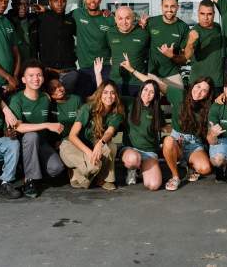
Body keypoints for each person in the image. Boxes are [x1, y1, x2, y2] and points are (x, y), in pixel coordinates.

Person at [120, 54, 214, 191]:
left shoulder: (208, 108)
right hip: (177, 139)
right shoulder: (179, 95)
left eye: (204, 90)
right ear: (193, 85)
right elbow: (154, 84)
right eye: (198, 87)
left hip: (194, 144)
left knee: (205, 169)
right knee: (168, 141)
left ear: (208, 94)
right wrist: (132, 70)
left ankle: (189, 166)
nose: (199, 92)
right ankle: (175, 176)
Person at [59, 59, 123, 190]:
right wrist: (89, 152)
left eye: (112, 93)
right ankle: (75, 172)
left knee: (110, 146)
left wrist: (100, 143)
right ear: (100, 94)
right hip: (72, 145)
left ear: (116, 96)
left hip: (93, 144)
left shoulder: (116, 113)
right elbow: (72, 136)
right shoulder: (87, 108)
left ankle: (104, 179)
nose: (109, 96)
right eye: (105, 92)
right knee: (93, 168)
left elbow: (109, 132)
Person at [9, 60, 65, 198]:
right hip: (23, 146)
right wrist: (47, 125)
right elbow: (19, 127)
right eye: (31, 75)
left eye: (39, 75)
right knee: (31, 135)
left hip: (42, 144)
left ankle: (34, 170)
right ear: (23, 79)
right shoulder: (17, 99)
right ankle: (30, 180)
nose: (36, 78)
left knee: (56, 168)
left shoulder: (46, 98)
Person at [119, 79, 164, 191]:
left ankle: (141, 169)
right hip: (131, 150)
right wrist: (98, 74)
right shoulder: (130, 102)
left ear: (155, 95)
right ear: (141, 90)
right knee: (134, 159)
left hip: (149, 152)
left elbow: (164, 127)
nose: (147, 94)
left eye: (152, 92)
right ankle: (132, 170)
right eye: (145, 89)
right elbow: (109, 96)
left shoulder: (157, 111)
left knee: (154, 185)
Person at [71, 0, 114, 98]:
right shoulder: (77, 13)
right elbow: (60, 17)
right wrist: (45, 10)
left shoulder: (109, 19)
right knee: (84, 100)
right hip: (85, 67)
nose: (92, 0)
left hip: (105, 67)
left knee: (105, 99)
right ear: (84, 0)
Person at [146, 0, 189, 89]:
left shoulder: (183, 27)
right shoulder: (151, 22)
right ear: (161, 6)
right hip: (152, 73)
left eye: (172, 6)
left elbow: (184, 59)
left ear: (177, 7)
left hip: (173, 74)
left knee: (179, 97)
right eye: (166, 6)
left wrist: (171, 55)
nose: (169, 9)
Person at [36, 0, 78, 92]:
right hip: (48, 71)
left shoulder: (70, 20)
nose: (59, 4)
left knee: (70, 98)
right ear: (50, 2)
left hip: (69, 71)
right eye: (56, 0)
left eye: (62, 1)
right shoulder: (41, 18)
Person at [107, 6, 150, 96]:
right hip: (115, 82)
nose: (124, 22)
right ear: (115, 19)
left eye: (127, 18)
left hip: (137, 83)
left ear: (133, 18)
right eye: (120, 18)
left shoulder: (143, 33)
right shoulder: (110, 33)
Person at [184, 0, 224, 94]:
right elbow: (187, 55)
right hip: (198, 83)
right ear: (198, 13)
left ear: (214, 14)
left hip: (217, 83)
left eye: (209, 14)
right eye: (202, 14)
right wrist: (190, 43)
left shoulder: (217, 27)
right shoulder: (195, 31)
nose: (206, 18)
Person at [6, 0, 39, 66]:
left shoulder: (35, 20)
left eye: (26, 4)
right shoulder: (5, 21)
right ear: (12, 5)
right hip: (12, 65)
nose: (23, 7)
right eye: (19, 4)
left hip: (31, 65)